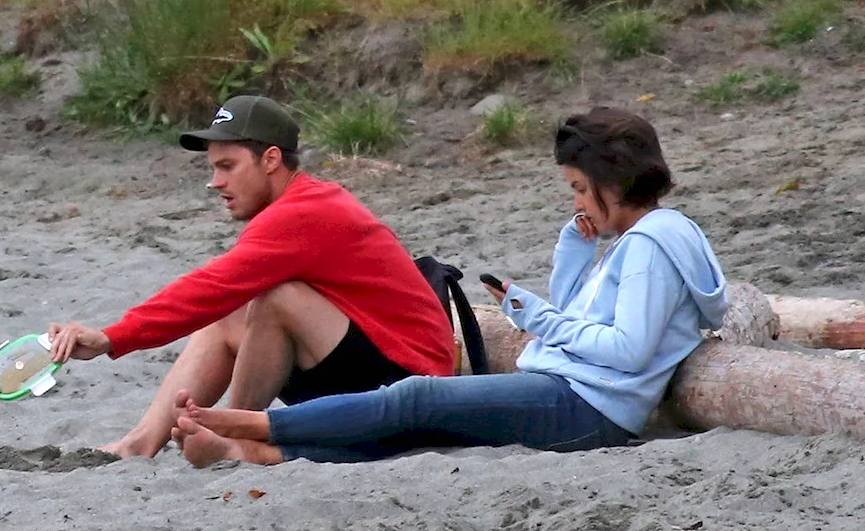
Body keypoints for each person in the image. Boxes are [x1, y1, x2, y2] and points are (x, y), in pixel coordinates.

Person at [169, 106, 730, 467]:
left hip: (586, 408)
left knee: (417, 397)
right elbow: (579, 313)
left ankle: (255, 424)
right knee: (427, 432)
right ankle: (266, 452)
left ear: (614, 182)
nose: (578, 202)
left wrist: (531, 315)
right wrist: (577, 246)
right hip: (571, 393)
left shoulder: (651, 247)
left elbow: (628, 351)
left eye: (582, 190)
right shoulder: (646, 239)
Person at [47, 95, 455, 458]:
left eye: (227, 166)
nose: (215, 182)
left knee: (274, 298)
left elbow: (208, 288)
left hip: (409, 389)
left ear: (271, 160)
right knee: (230, 311)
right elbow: (215, 292)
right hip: (368, 368)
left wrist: (112, 336)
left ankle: (228, 433)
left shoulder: (304, 211)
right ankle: (141, 442)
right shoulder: (301, 203)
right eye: (213, 167)